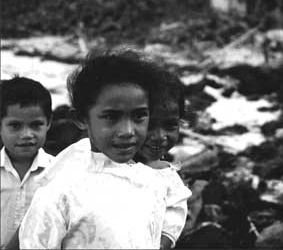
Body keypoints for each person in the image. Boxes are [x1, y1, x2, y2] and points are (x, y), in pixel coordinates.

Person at [19, 50, 191, 249]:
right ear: (81, 119)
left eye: (139, 116)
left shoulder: (153, 183)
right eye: (111, 117)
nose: (127, 131)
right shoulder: (61, 191)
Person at [135, 69, 191, 249]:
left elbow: (172, 222)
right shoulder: (103, 162)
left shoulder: (167, 179)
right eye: (150, 125)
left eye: (170, 125)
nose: (159, 136)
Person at [0, 77, 53, 249]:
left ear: (49, 123)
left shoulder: (57, 172)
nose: (26, 134)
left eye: (36, 125)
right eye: (15, 126)